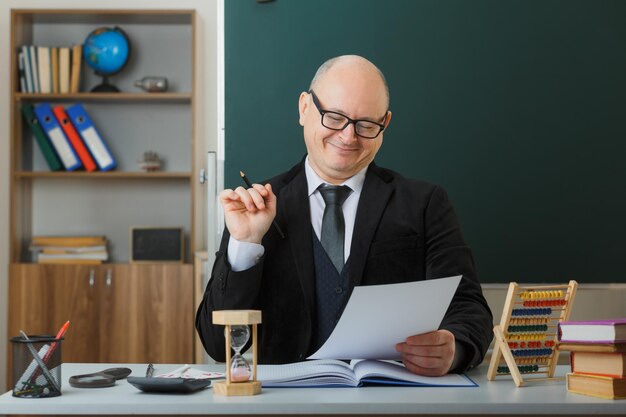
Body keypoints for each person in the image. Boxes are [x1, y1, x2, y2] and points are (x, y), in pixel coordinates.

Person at [196, 55, 493, 376]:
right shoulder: (255, 207)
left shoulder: (425, 203)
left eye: (366, 124)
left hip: (393, 400)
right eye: (334, 117)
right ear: (305, 108)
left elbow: (469, 308)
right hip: (283, 405)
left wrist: (454, 346)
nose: (349, 137)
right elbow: (216, 344)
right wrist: (246, 244)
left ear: (386, 124)